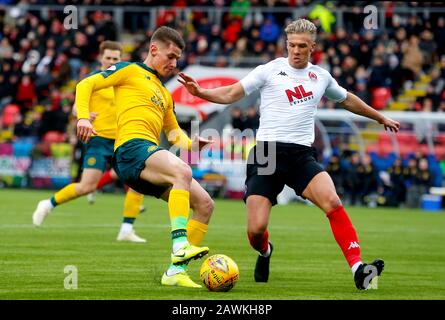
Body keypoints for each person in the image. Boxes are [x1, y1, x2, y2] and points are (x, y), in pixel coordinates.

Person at [178, 19, 400, 290]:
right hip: (267, 154)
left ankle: (358, 268)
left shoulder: (321, 77)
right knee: (256, 230)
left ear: (312, 47)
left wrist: (380, 117)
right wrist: (201, 92)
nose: (295, 50)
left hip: (301, 155)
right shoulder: (270, 70)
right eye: (291, 45)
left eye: (302, 46)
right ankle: (265, 251)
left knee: (332, 201)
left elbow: (347, 98)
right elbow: (232, 92)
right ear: (286, 44)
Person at [75, 26, 214, 288]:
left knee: (205, 204)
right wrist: (83, 116)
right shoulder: (129, 70)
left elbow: (173, 132)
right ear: (153, 49)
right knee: (182, 172)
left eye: (177, 59)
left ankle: (176, 272)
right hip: (130, 148)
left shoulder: (164, 93)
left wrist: (192, 144)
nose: (173, 64)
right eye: (170, 56)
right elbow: (86, 83)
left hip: (145, 159)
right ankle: (181, 244)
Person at [32, 41, 147, 243]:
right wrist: (85, 116)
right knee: (86, 186)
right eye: (108, 58)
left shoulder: (124, 81)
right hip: (98, 139)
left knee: (137, 182)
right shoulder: (93, 80)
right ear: (101, 58)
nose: (111, 61)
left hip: (123, 139)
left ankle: (126, 229)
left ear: (121, 60)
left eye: (116, 58)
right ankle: (48, 204)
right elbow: (76, 108)